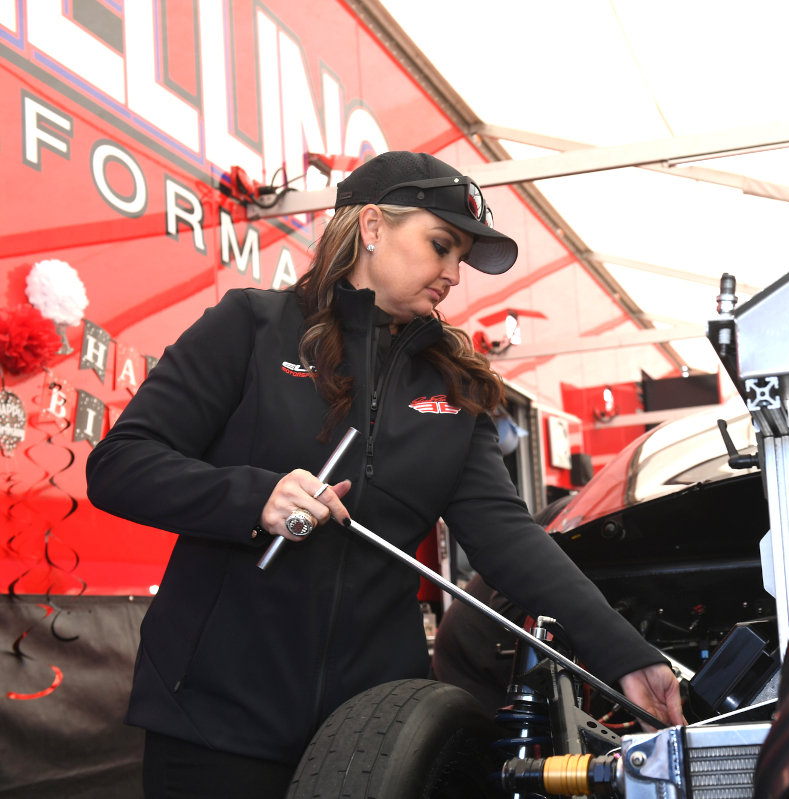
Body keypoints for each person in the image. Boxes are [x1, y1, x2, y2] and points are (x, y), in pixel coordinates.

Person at [86, 151, 683, 798]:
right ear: (372, 226)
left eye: (462, 258)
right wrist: (255, 496)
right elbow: (120, 464)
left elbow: (508, 537)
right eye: (441, 246)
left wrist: (626, 653)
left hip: (372, 737)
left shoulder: (455, 386)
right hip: (213, 719)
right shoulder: (250, 326)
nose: (453, 274)